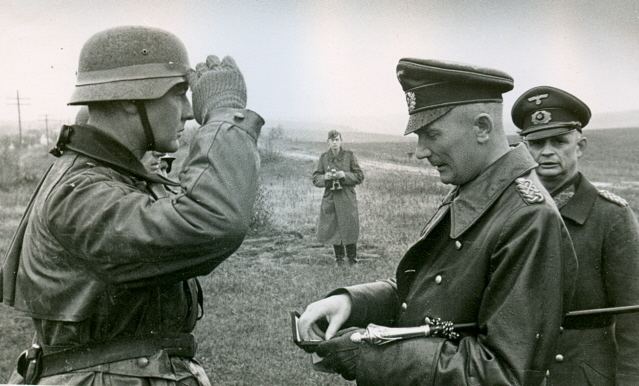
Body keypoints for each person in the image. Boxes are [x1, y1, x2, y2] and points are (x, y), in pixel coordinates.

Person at [1, 25, 263, 385]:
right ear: (129, 98)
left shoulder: (109, 178)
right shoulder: (80, 193)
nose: (188, 113)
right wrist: (224, 116)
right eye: (177, 94)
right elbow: (213, 220)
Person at [297, 58, 578, 386]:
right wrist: (351, 302)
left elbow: (502, 375)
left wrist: (370, 354)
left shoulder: (528, 219)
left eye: (431, 133)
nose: (420, 152)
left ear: (483, 128)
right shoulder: (476, 190)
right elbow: (425, 291)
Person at [513, 86, 639, 385]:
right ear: (524, 148)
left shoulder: (611, 216)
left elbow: (634, 320)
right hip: (514, 370)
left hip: (582, 374)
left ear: (580, 146)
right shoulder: (510, 209)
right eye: (537, 143)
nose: (546, 152)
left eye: (559, 142)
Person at [312, 130, 364, 265]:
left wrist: (344, 175)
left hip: (347, 198)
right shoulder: (324, 158)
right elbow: (316, 178)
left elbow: (359, 176)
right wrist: (325, 177)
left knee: (350, 226)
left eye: (337, 140)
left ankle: (352, 259)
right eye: (331, 140)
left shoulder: (349, 156)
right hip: (331, 198)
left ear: (341, 141)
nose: (334, 143)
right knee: (333, 228)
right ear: (328, 142)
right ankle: (339, 259)